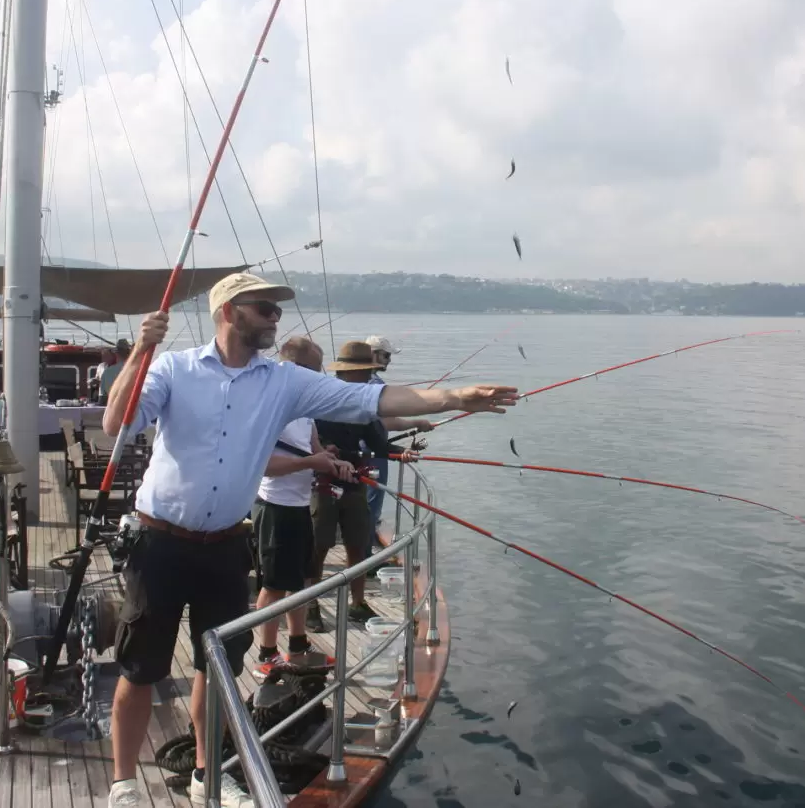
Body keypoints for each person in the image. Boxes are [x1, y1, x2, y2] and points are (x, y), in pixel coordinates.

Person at [100, 272, 516, 808]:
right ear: (229, 312)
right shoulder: (173, 369)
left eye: (277, 310)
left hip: (226, 546)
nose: (276, 317)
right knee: (140, 669)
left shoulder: (283, 382)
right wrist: (140, 349)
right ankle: (124, 786)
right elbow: (117, 422)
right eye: (265, 308)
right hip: (159, 544)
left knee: (218, 668)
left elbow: (372, 399)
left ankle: (207, 772)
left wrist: (453, 397)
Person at [250, 336, 353, 676]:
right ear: (295, 369)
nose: (318, 378)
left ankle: (297, 645)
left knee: (300, 581)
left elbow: (315, 447)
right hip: (275, 507)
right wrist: (311, 461)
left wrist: (331, 460)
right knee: (274, 585)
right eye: (314, 371)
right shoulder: (272, 408)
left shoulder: (305, 410)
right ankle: (267, 654)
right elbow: (264, 464)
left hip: (298, 506)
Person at [307, 341, 415, 629]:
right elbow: (318, 444)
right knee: (318, 546)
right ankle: (310, 605)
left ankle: (357, 603)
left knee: (357, 543)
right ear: (347, 373)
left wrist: (399, 454)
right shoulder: (320, 400)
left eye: (369, 371)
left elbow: (378, 443)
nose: (369, 377)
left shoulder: (362, 406)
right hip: (322, 483)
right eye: (364, 371)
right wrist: (340, 456)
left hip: (355, 482)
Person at [363, 335, 431, 551]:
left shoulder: (355, 380)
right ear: (372, 353)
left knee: (361, 506)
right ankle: (362, 560)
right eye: (386, 355)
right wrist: (417, 422)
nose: (389, 360)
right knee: (370, 507)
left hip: (361, 452)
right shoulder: (375, 384)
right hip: (373, 457)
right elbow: (388, 421)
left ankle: (358, 553)